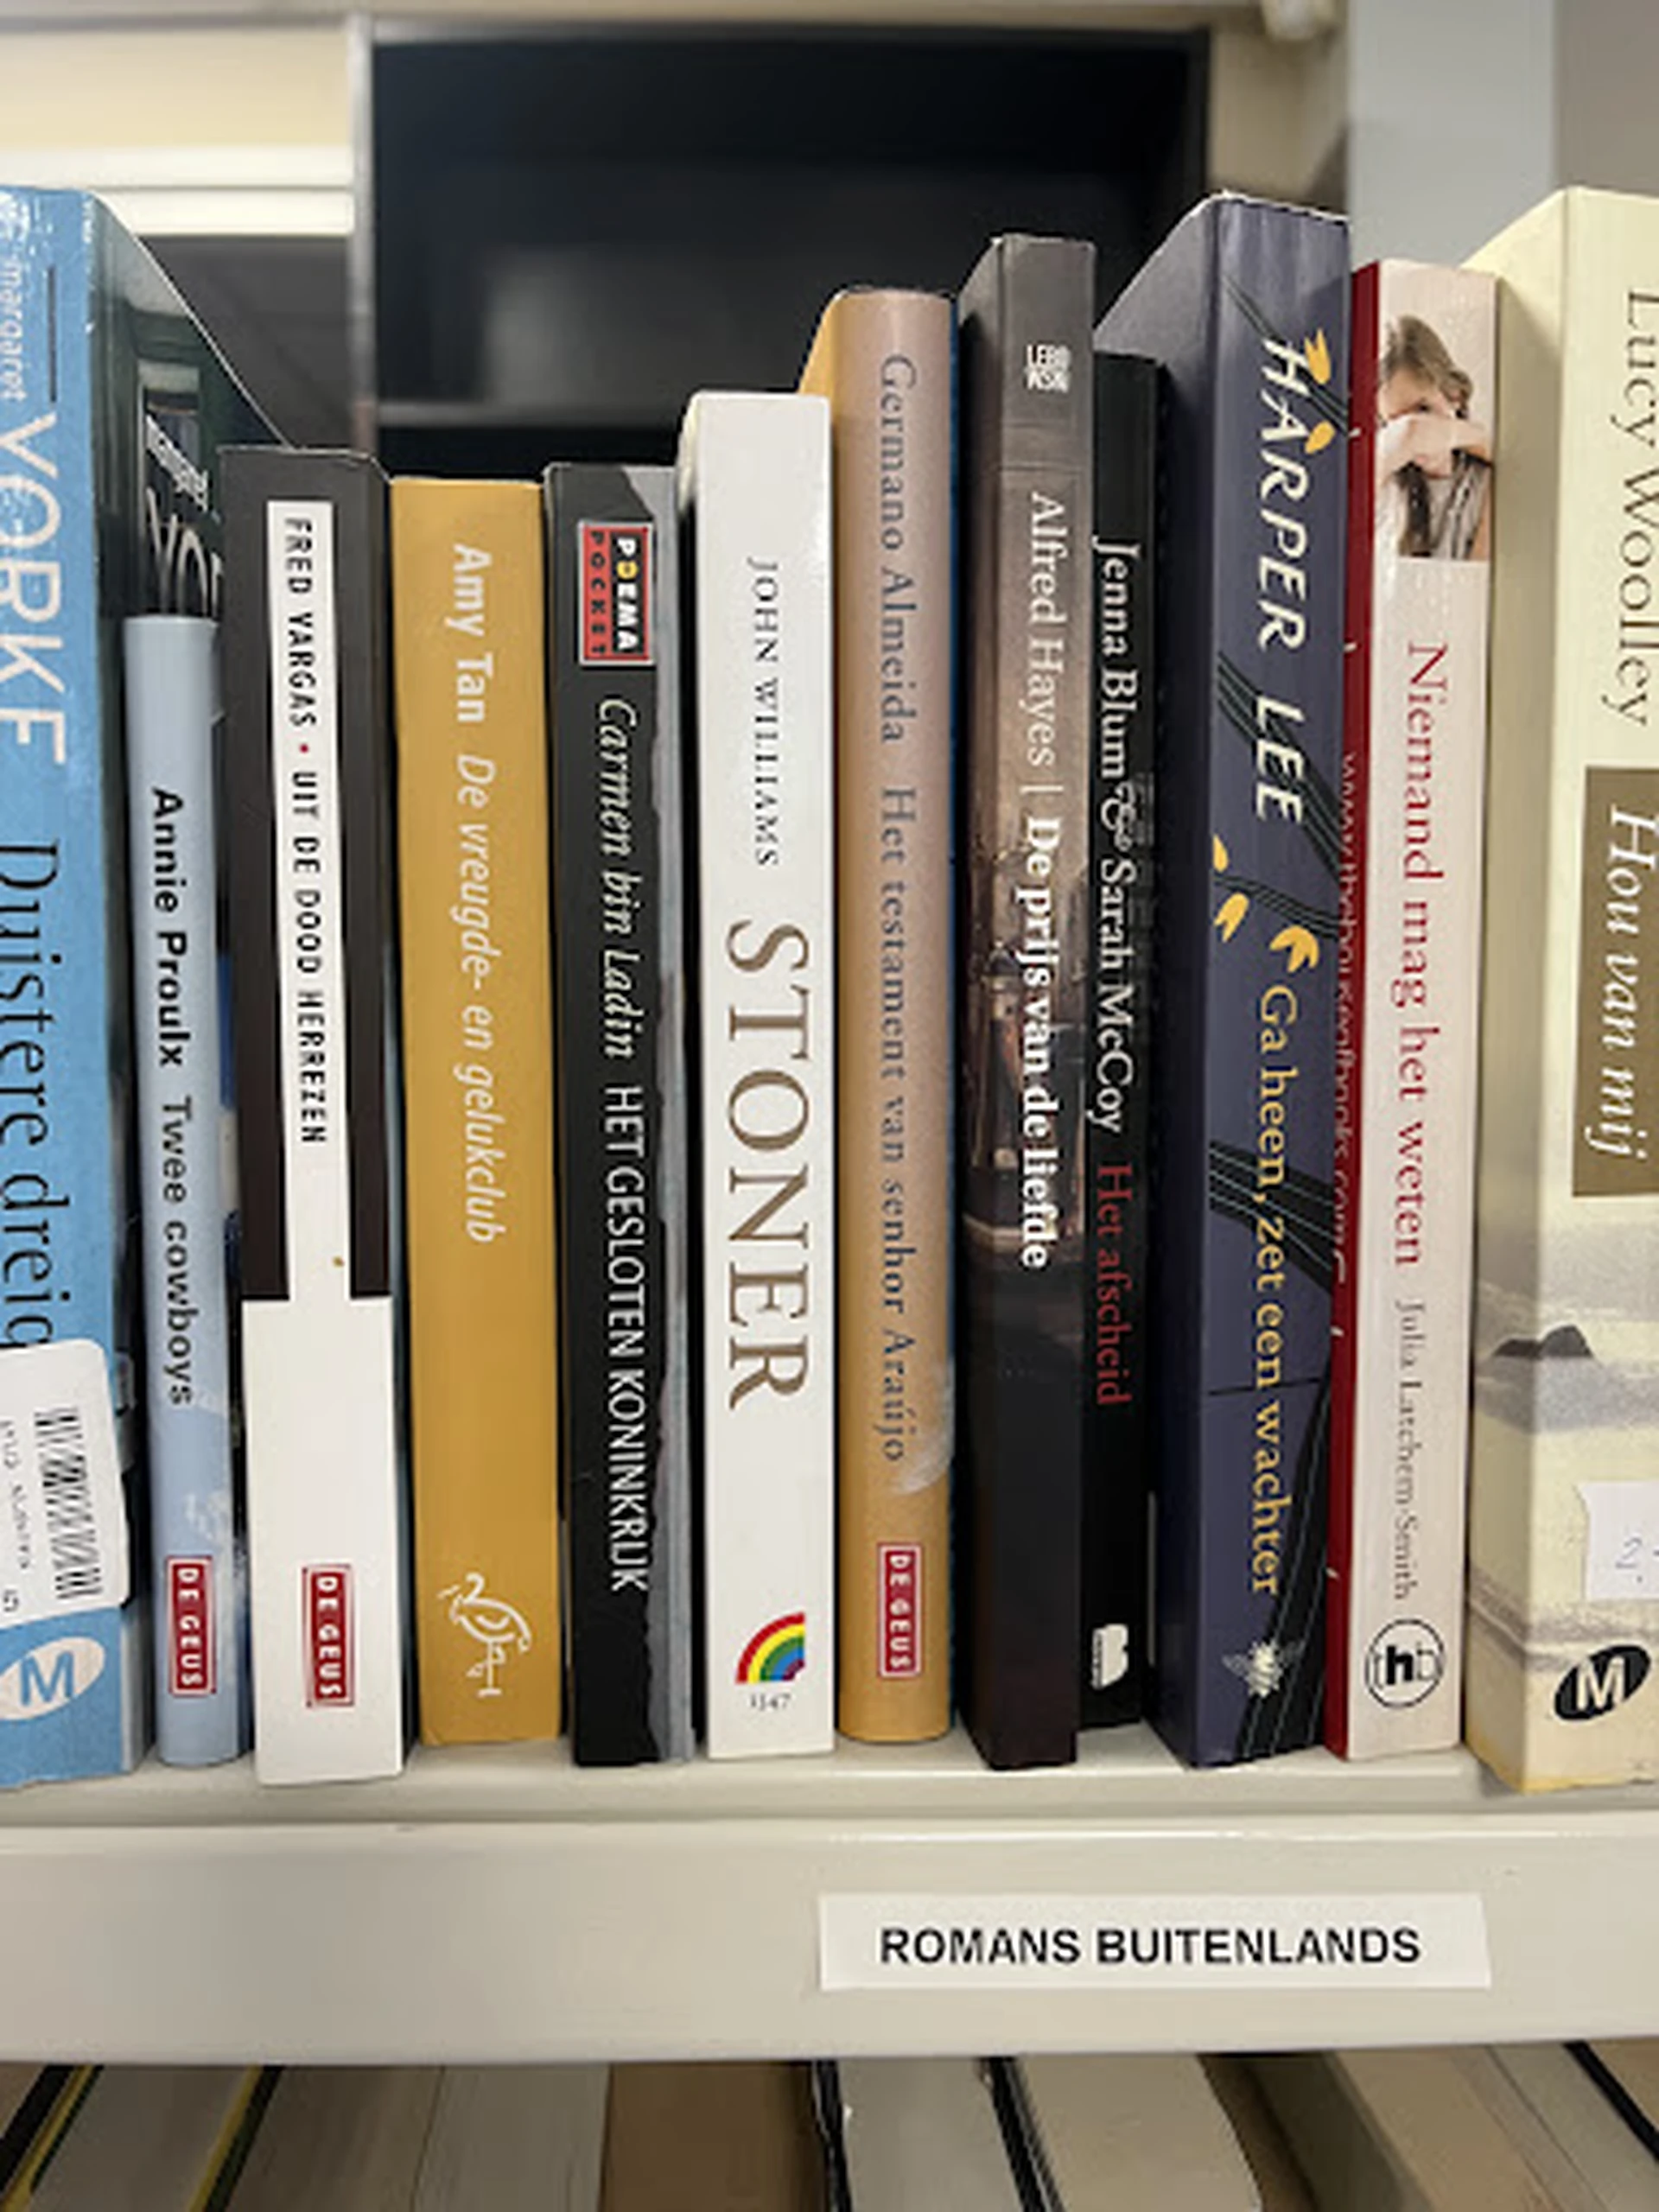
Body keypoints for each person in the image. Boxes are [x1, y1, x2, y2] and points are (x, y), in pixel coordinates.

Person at [1376, 313, 1492, 561]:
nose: (1416, 439)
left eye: (1423, 409)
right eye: (1394, 424)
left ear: (1454, 394)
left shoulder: (1482, 482)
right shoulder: (1385, 486)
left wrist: (1465, 434)